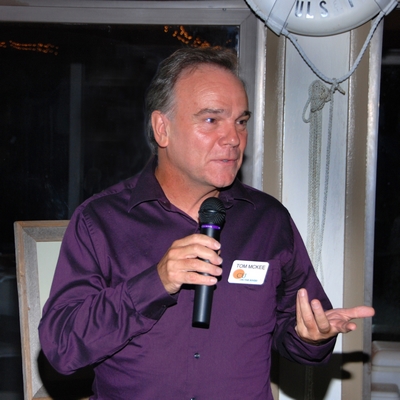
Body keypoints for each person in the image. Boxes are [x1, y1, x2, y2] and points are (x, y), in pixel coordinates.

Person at [39, 47, 374, 400]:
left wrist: (313, 338)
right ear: (162, 129)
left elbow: (298, 333)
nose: (234, 138)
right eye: (212, 120)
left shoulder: (269, 222)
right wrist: (155, 282)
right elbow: (61, 349)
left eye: (240, 121)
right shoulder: (100, 222)